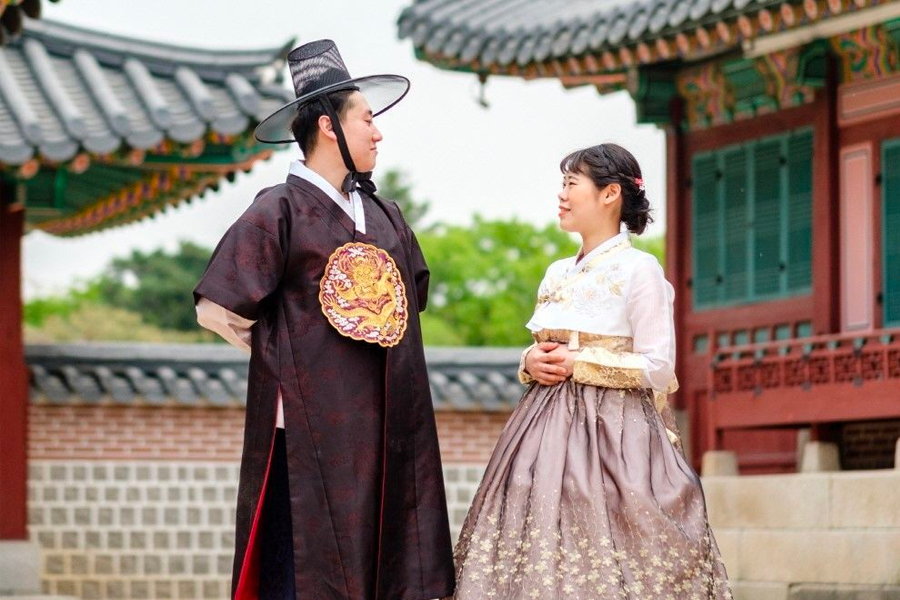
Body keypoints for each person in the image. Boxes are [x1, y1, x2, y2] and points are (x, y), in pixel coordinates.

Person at [193, 39, 455, 600]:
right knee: (307, 563)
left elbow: (407, 302)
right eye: (367, 120)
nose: (378, 132)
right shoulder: (278, 209)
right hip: (311, 428)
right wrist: (284, 354)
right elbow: (216, 307)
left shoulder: (387, 214)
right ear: (329, 126)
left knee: (393, 556)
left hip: (390, 418)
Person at [451, 143, 732, 599]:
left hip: (616, 432)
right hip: (541, 426)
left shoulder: (640, 270)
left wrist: (580, 362)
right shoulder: (557, 271)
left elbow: (659, 367)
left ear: (610, 194)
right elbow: (540, 346)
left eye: (571, 183)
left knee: (614, 526)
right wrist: (529, 361)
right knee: (529, 518)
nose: (561, 195)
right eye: (562, 184)